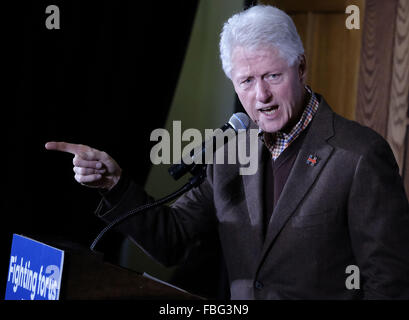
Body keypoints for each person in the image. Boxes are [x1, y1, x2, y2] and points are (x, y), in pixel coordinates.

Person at [46, 5, 409, 299]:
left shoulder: (359, 155)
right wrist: (116, 184)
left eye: (272, 76)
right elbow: (171, 240)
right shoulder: (230, 155)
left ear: (301, 67)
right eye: (247, 81)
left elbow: (389, 284)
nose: (260, 96)